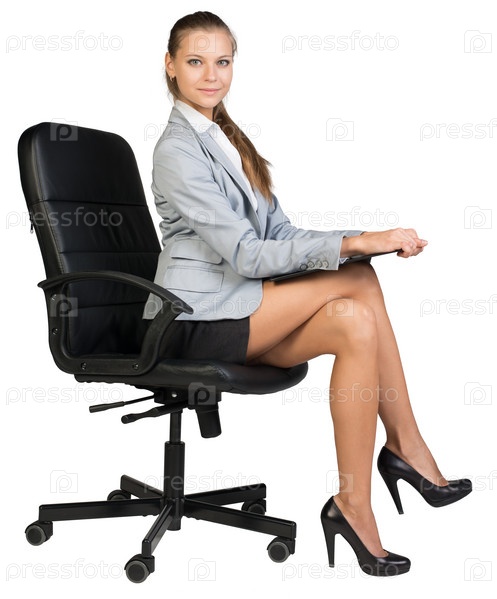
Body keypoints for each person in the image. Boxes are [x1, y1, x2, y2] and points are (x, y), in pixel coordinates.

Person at [143, 10, 472, 576]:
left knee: (355, 320)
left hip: (243, 309)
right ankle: (407, 448)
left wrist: (359, 238)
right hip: (194, 320)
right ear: (170, 66)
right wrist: (357, 244)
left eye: (223, 62)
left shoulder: (228, 139)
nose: (211, 75)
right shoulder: (177, 151)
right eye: (195, 62)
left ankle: (354, 502)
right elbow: (247, 256)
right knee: (358, 276)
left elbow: (281, 234)